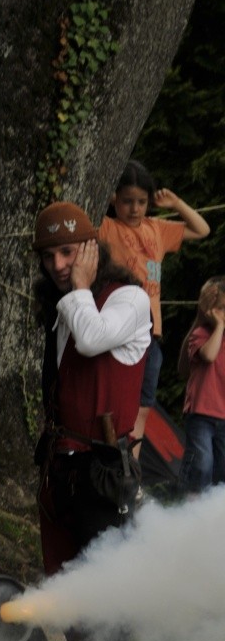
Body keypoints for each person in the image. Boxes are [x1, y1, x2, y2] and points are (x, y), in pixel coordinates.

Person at [33, 202, 151, 641]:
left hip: (104, 470)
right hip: (63, 466)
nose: (59, 264)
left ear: (90, 248)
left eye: (68, 252)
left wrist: (79, 286)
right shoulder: (64, 307)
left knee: (104, 590)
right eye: (49, 255)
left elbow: (93, 339)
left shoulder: (126, 299)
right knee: (66, 586)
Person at [99, 159, 210, 454]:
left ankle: (131, 471)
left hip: (151, 333)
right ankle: (111, 465)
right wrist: (106, 198)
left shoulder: (157, 229)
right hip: (119, 331)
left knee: (143, 407)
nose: (134, 209)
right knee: (114, 402)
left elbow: (202, 230)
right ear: (114, 200)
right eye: (126, 201)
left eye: (141, 202)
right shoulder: (107, 227)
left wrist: (175, 203)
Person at [177, 277, 225, 495]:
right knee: (201, 463)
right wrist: (220, 326)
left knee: (220, 469)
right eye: (218, 308)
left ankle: (214, 516)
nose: (221, 313)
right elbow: (208, 355)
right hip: (202, 414)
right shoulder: (200, 335)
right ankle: (190, 504)